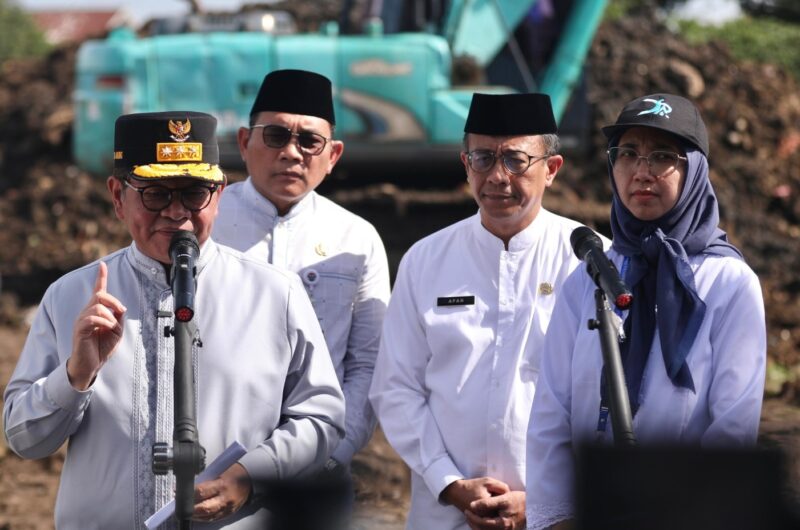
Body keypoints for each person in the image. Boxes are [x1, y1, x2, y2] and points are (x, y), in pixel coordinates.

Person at [3, 111, 346, 528]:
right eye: (156, 194)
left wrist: (250, 476)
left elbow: (320, 419)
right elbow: (25, 440)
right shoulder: (72, 296)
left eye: (194, 193)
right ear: (117, 196)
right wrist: (76, 375)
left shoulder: (276, 294)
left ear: (218, 195)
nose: (176, 212)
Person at [525, 93, 767, 530]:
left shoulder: (729, 284)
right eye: (628, 154)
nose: (642, 171)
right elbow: (551, 415)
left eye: (661, 156)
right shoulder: (589, 279)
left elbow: (732, 429)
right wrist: (557, 518)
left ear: (694, 169)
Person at [369, 92, 594, 530]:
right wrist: (450, 483)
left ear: (551, 169)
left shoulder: (588, 261)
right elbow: (396, 388)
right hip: (446, 514)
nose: (497, 177)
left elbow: (608, 399)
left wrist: (544, 499)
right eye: (483, 158)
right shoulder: (426, 259)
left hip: (557, 517)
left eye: (515, 160)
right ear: (464, 164)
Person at [212, 69, 390, 505]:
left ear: (333, 155)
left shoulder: (357, 238)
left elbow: (368, 362)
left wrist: (333, 454)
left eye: (309, 141)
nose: (291, 152)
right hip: (214, 466)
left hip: (317, 470)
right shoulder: (205, 223)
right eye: (275, 136)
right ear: (242, 142)